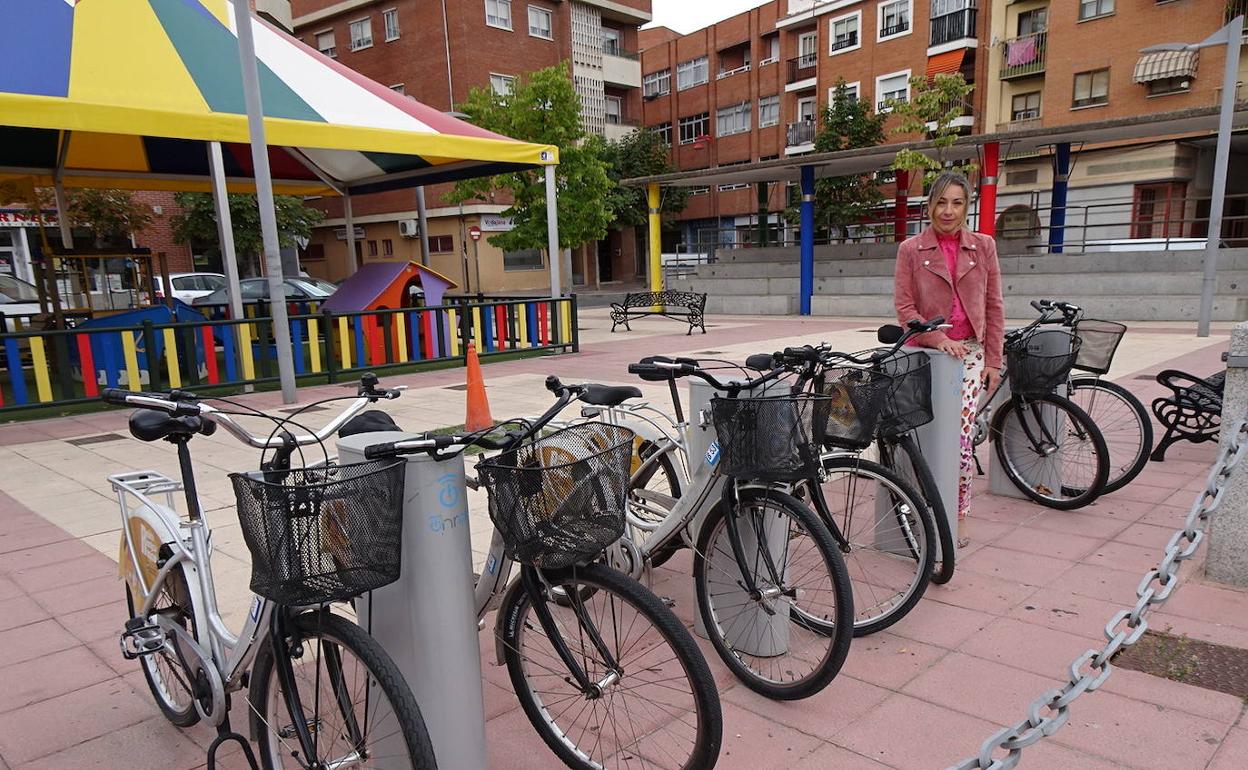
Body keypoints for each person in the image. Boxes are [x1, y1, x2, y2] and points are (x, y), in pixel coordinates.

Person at [892, 171, 1004, 548]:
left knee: (958, 440)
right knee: (919, 437)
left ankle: (958, 514)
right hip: (923, 357)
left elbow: (994, 304)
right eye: (941, 202)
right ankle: (913, 508)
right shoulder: (911, 249)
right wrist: (936, 338)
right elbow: (905, 309)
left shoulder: (983, 246)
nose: (948, 211)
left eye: (957, 202)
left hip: (969, 356)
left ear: (967, 206)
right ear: (929, 205)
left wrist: (993, 359)